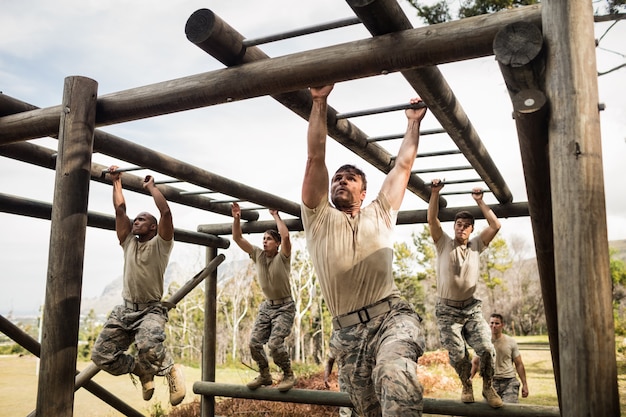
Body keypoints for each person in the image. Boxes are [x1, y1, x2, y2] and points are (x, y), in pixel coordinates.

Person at [302, 84, 427, 417]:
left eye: (349, 178)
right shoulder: (317, 217)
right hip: (348, 334)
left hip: (391, 317)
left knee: (394, 371)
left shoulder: (381, 211)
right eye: (337, 178)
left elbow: (402, 167)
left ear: (364, 189)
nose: (340, 181)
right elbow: (316, 156)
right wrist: (319, 102)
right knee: (361, 411)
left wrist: (413, 123)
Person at [91, 166, 185, 406]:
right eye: (137, 218)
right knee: (101, 356)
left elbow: (165, 213)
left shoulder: (161, 245)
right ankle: (142, 371)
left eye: (142, 219)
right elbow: (120, 210)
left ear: (153, 227)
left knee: (148, 345)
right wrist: (117, 181)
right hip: (125, 310)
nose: (136, 221)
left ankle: (171, 371)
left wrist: (152, 187)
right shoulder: (128, 242)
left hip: (150, 310)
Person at [427, 179, 503, 408]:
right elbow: (432, 219)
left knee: (487, 350)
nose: (461, 227)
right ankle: (466, 384)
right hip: (447, 311)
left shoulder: (477, 245)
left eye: (466, 225)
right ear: (454, 227)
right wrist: (434, 192)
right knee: (458, 354)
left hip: (471, 309)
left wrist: (480, 201)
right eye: (458, 224)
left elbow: (496, 225)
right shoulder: (443, 243)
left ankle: (488, 387)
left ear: (471, 229)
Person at [231, 202, 296, 392]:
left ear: (276, 244)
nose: (264, 241)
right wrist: (236, 218)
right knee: (254, 343)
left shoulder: (283, 256)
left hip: (285, 306)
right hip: (267, 307)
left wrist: (276, 215)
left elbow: (285, 236)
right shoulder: (258, 255)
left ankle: (288, 374)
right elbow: (237, 237)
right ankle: (265, 374)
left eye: (269, 239)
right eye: (263, 238)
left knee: (275, 344)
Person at [470, 313, 529, 403]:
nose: (494, 326)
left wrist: (525, 384)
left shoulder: (511, 341)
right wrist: (470, 378)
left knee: (509, 411)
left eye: (497, 323)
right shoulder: (482, 342)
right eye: (491, 323)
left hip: (509, 381)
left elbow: (519, 364)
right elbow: (475, 362)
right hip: (490, 384)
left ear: (502, 325)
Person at [324, 352, 357, 417]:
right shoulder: (338, 342)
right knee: (345, 412)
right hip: (345, 386)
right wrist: (326, 377)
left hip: (362, 386)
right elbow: (330, 361)